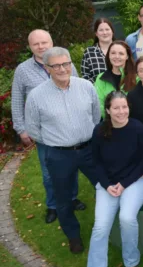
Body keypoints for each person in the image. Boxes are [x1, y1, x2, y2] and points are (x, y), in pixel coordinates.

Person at [25, 47, 101, 253]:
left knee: (104, 187)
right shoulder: (36, 96)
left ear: (71, 64)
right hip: (58, 154)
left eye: (65, 64)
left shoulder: (86, 87)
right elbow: (33, 128)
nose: (62, 69)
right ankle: (73, 236)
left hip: (88, 149)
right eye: (56, 65)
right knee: (63, 198)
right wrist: (56, 140)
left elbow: (96, 117)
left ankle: (108, 225)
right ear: (47, 68)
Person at [87, 92, 143, 267]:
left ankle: (131, 263)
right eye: (116, 108)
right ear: (107, 110)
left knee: (126, 217)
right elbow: (94, 163)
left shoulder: (137, 128)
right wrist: (107, 185)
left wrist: (124, 184)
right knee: (100, 226)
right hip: (108, 184)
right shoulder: (99, 131)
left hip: (137, 180)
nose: (121, 112)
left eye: (124, 107)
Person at [12, 30, 83, 224]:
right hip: (44, 133)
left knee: (72, 167)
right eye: (36, 44)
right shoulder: (23, 70)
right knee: (48, 172)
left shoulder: (65, 61)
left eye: (44, 42)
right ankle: (53, 205)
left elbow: (76, 88)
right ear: (30, 47)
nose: (41, 46)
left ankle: (72, 198)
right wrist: (21, 128)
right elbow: (17, 101)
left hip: (69, 128)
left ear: (52, 42)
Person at [94, 41, 138, 117]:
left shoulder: (136, 77)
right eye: (113, 53)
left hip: (132, 122)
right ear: (109, 56)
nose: (117, 56)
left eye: (121, 53)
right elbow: (99, 105)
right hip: (109, 123)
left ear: (127, 56)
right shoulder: (100, 78)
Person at [81, 18, 116, 82]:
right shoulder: (89, 52)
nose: (104, 33)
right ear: (96, 33)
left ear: (112, 31)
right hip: (96, 91)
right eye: (101, 30)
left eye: (107, 29)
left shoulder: (121, 50)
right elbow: (85, 77)